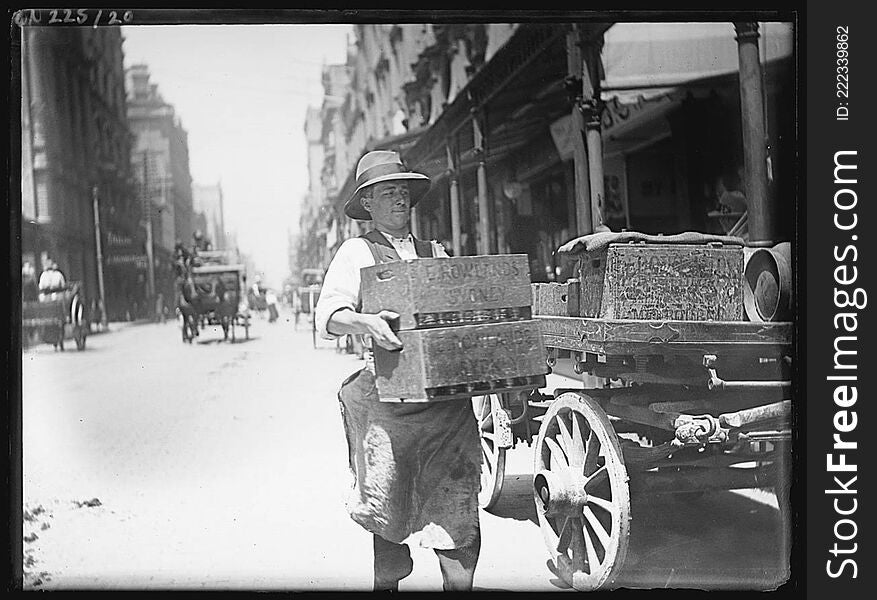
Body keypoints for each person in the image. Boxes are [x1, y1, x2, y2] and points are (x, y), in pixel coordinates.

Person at [315, 150, 481, 592]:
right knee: (387, 515)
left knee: (458, 515)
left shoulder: (436, 253)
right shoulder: (356, 251)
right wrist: (365, 322)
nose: (397, 199)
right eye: (386, 192)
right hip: (391, 405)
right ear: (367, 203)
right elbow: (327, 316)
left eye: (402, 192)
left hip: (448, 407)